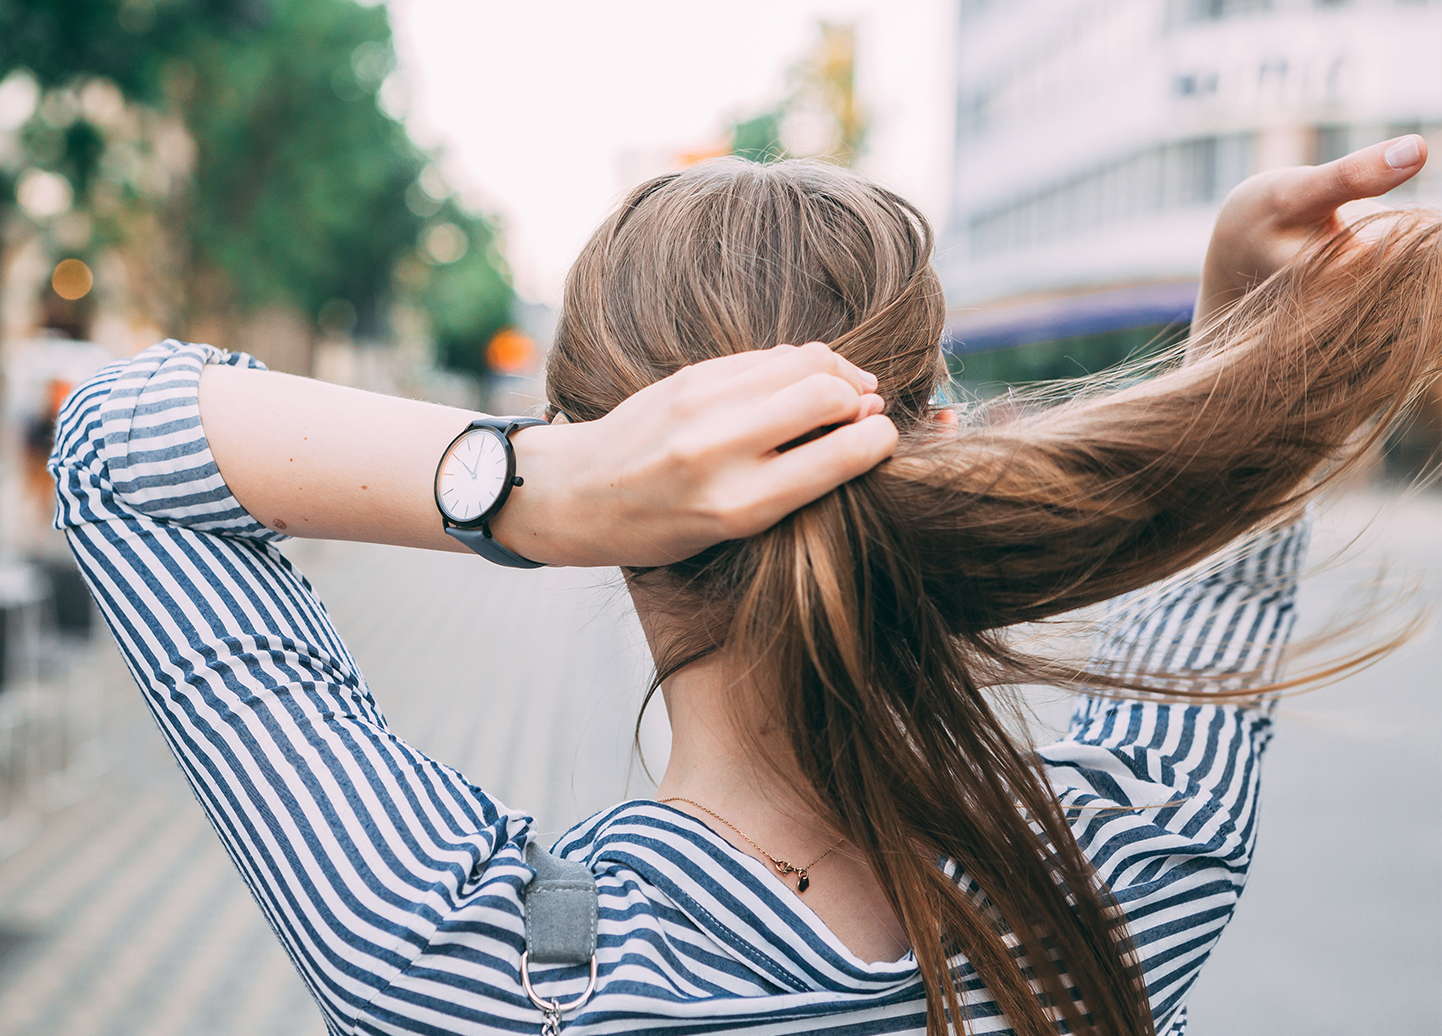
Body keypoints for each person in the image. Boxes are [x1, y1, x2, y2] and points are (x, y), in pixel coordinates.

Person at [49, 134, 1437, 1036]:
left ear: (612, 455)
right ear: (929, 434)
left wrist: (535, 492)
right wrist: (1254, 332)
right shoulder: (1115, 890)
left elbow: (116, 447)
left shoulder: (453, 963)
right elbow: (1233, 505)